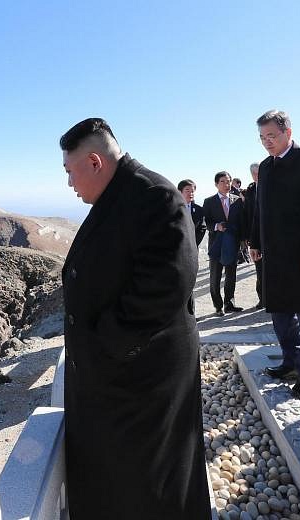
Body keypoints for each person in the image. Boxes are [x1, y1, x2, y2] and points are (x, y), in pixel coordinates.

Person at [59, 117, 210, 518]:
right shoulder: (118, 194)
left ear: (94, 162)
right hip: (123, 375)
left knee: (150, 484)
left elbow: (165, 285)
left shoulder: (154, 196)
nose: (69, 184)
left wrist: (105, 343)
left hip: (142, 378)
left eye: (70, 172)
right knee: (121, 482)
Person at [250, 110, 300, 402]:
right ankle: (290, 362)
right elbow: (260, 208)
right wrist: (256, 240)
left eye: (271, 136)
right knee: (281, 313)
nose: (267, 142)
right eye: (262, 138)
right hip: (275, 254)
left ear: (287, 131)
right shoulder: (266, 167)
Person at [203, 171, 246, 315]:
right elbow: (206, 222)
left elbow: (241, 222)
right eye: (223, 181)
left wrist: (243, 241)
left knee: (231, 275)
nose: (227, 184)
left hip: (232, 243)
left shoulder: (237, 200)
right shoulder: (209, 201)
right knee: (215, 276)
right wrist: (216, 226)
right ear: (216, 184)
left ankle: (229, 303)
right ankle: (218, 306)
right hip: (217, 244)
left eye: (228, 181)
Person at [243, 163, 263, 308]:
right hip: (255, 236)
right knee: (260, 270)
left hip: (272, 236)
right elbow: (246, 215)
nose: (257, 176)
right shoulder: (249, 191)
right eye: (255, 174)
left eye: (259, 173)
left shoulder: (273, 187)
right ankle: (262, 298)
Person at [178, 179, 207, 246]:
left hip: (192, 247)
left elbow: (202, 228)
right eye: (187, 190)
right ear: (179, 192)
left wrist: (193, 243)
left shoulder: (199, 209)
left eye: (192, 191)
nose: (190, 193)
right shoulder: (173, 208)